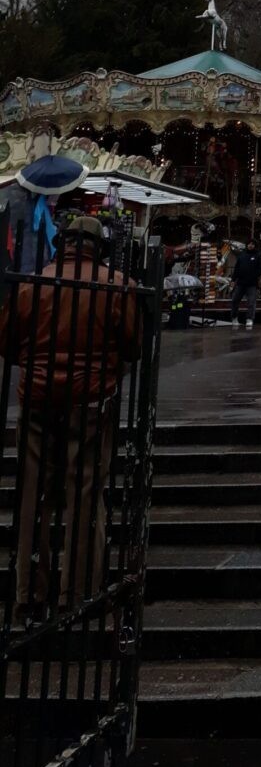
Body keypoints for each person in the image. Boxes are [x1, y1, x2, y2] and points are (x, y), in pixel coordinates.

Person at [0, 215, 141, 621]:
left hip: (38, 398)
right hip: (91, 399)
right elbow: (132, 345)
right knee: (84, 492)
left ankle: (27, 592)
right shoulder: (117, 286)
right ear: (101, 248)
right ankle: (75, 592)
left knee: (32, 497)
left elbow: (7, 342)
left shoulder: (32, 284)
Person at [230, 237, 261, 330]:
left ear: (255, 246)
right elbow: (237, 268)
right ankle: (234, 318)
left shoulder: (258, 256)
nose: (250, 245)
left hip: (252, 284)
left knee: (251, 302)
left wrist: (255, 275)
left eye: (252, 244)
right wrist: (233, 280)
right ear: (247, 245)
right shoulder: (242, 255)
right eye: (249, 244)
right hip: (240, 283)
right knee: (234, 300)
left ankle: (249, 319)